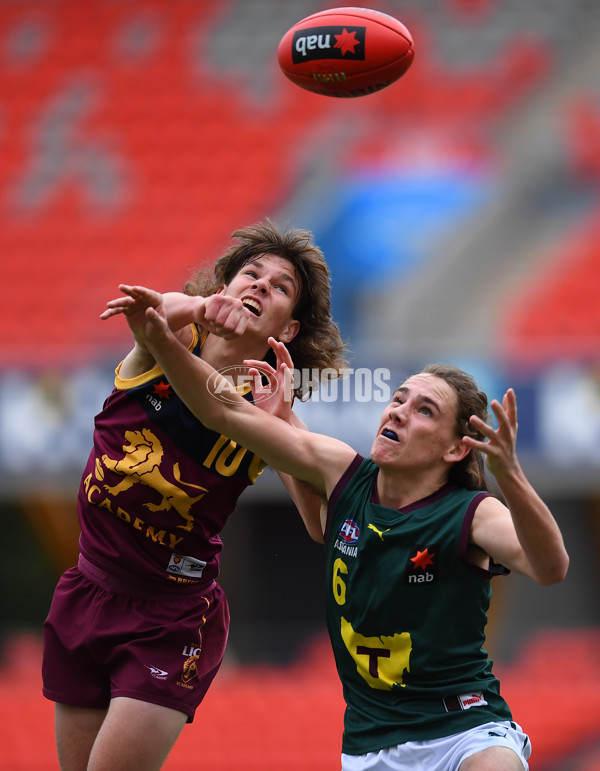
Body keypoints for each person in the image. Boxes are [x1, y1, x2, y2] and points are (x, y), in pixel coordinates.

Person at [120, 284, 570, 771]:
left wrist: (512, 476)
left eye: (425, 410)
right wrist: (162, 340)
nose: (398, 410)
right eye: (399, 398)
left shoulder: (472, 513)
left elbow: (550, 568)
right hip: (368, 746)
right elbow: (226, 412)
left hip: (465, 730)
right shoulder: (343, 473)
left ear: (456, 448)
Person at [42, 220, 347, 771]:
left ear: (291, 326)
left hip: (170, 618)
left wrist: (282, 430)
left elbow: (323, 527)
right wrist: (201, 308)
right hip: (88, 590)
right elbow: (150, 314)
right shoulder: (168, 340)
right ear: (222, 287)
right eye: (250, 274)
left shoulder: (268, 410)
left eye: (279, 288)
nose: (259, 286)